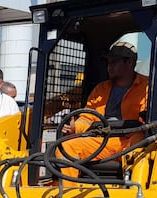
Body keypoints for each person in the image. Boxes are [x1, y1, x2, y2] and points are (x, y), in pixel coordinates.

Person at [57, 42, 148, 179]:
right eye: (108, 62)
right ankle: (69, 196)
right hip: (103, 140)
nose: (109, 66)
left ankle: (133, 191)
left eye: (114, 62)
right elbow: (87, 117)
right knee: (66, 147)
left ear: (129, 63)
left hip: (131, 140)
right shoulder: (101, 89)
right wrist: (75, 127)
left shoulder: (147, 87)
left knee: (139, 144)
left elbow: (154, 121)